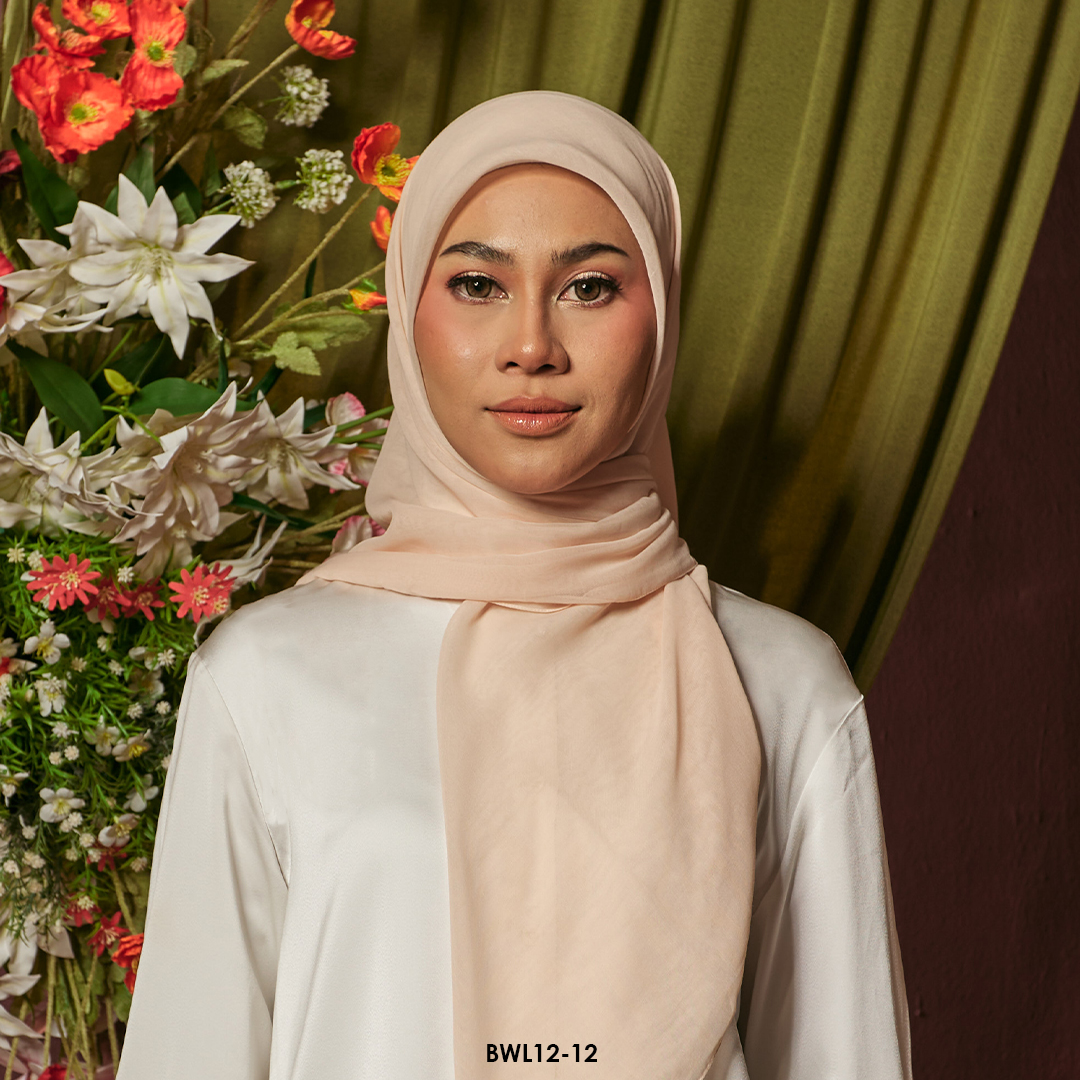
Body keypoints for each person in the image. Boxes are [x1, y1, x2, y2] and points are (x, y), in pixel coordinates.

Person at [116, 91, 912, 1080]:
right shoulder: (269, 674)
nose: (531, 345)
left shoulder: (782, 683)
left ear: (662, 315)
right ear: (410, 309)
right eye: (477, 284)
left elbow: (842, 1057)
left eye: (590, 287)